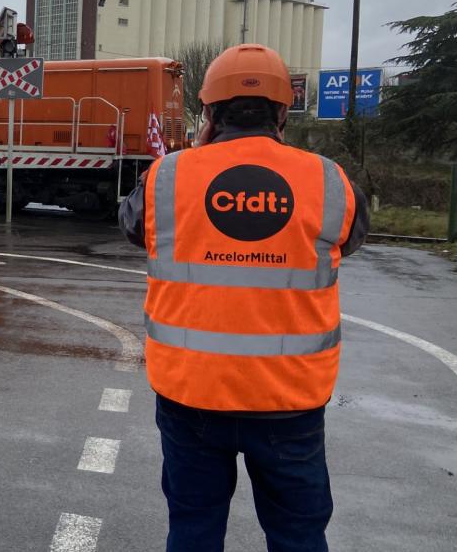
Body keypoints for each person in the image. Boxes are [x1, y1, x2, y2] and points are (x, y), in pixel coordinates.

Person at [118, 44, 369, 552]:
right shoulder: (327, 180)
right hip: (289, 399)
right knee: (298, 534)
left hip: (192, 394)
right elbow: (352, 238)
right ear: (282, 111)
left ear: (209, 112)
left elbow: (131, 228)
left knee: (193, 529)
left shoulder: (165, 176)